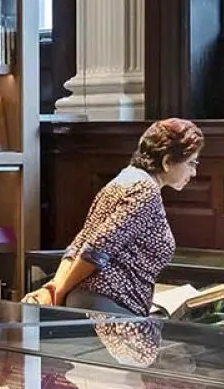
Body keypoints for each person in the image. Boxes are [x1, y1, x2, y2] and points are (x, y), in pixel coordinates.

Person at [25, 118, 204, 317]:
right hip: (109, 306)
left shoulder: (123, 180)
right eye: (191, 163)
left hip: (95, 302)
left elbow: (79, 245)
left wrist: (55, 289)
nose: (194, 172)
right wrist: (57, 293)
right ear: (167, 161)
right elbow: (94, 249)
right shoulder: (145, 191)